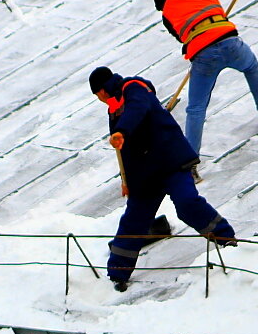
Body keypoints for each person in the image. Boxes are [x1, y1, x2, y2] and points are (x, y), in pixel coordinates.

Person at [88, 66, 236, 291]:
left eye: (97, 94)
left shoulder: (134, 88)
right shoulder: (113, 111)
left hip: (170, 163)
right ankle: (117, 274)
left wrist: (122, 132)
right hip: (145, 176)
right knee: (134, 220)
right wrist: (126, 180)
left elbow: (138, 110)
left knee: (187, 203)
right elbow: (125, 151)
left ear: (101, 90)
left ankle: (227, 241)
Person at [152, 0, 258, 160]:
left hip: (203, 56)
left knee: (196, 107)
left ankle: (191, 162)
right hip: (229, 42)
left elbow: (183, 36)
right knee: (251, 67)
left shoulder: (167, 14)